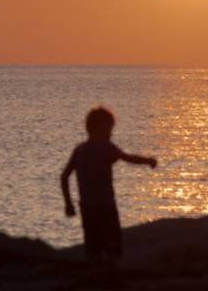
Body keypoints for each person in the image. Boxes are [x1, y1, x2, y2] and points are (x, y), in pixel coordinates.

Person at [61, 107, 157, 262]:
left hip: (87, 207)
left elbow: (64, 177)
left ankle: (95, 278)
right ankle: (111, 279)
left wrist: (68, 204)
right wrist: (148, 161)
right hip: (106, 207)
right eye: (109, 128)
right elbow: (128, 158)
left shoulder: (79, 150)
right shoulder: (106, 147)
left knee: (93, 248)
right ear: (100, 128)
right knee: (113, 249)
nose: (111, 133)